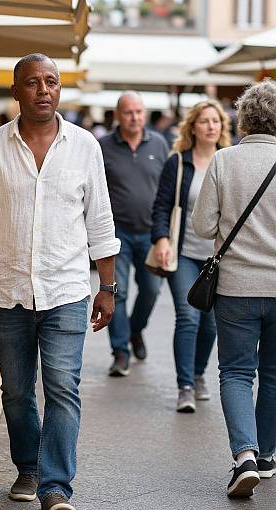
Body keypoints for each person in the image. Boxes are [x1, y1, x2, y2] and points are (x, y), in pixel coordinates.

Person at [0, 53, 120, 510]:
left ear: (59, 89)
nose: (43, 90)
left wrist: (108, 287)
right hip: (7, 291)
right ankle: (28, 465)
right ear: (15, 92)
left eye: (51, 81)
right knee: (17, 390)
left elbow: (100, 222)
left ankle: (55, 487)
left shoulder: (85, 146)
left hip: (67, 289)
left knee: (63, 386)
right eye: (32, 82)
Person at [192, 80, 276, 498]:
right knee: (275, 375)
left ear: (243, 118)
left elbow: (203, 226)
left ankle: (244, 455)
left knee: (237, 373)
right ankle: (265, 455)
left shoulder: (225, 161)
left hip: (237, 288)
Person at [151, 100, 231, 413]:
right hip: (182, 252)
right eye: (204, 121)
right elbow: (160, 206)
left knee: (210, 324)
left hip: (218, 256)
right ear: (193, 127)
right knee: (188, 317)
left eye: (216, 121)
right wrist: (160, 239)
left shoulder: (228, 161)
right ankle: (185, 385)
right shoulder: (178, 163)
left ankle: (198, 375)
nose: (211, 126)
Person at [99, 91, 169, 376]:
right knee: (119, 291)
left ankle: (135, 330)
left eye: (139, 111)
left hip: (153, 232)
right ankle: (120, 351)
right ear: (118, 115)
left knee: (151, 290)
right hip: (117, 232)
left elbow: (168, 188)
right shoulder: (102, 146)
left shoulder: (160, 144)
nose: (135, 117)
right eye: (128, 112)